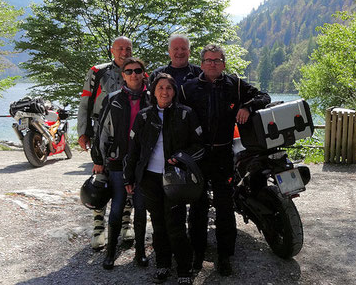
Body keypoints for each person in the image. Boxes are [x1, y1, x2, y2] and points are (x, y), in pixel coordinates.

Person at [180, 44, 271, 276]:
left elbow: (264, 96)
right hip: (197, 156)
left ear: (224, 63)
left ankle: (224, 255)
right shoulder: (187, 88)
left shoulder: (235, 84)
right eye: (208, 60)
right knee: (198, 207)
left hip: (222, 154)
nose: (213, 64)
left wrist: (248, 107)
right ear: (201, 63)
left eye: (217, 60)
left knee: (224, 207)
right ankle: (197, 253)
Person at [124, 73, 202, 285]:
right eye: (160, 88)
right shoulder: (143, 116)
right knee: (158, 224)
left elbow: (198, 145)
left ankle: (184, 269)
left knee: (175, 224)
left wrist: (180, 158)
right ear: (153, 91)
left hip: (175, 180)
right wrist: (128, 177)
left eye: (169, 88)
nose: (165, 91)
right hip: (149, 179)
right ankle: (163, 264)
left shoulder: (186, 114)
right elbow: (134, 150)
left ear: (174, 91)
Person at [77, 36, 135, 249]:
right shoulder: (97, 72)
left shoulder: (138, 72)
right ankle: (98, 227)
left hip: (129, 134)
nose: (124, 52)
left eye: (128, 48)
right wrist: (83, 132)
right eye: (120, 48)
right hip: (101, 133)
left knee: (129, 179)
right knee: (100, 178)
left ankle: (126, 224)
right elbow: (85, 102)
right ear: (112, 50)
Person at [92, 57, 149, 269]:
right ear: (122, 75)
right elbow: (102, 131)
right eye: (129, 71)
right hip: (118, 160)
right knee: (116, 207)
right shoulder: (113, 99)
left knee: (141, 208)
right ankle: (111, 253)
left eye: (137, 70)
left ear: (144, 73)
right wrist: (98, 159)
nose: (134, 74)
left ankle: (141, 253)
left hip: (144, 163)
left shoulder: (152, 98)